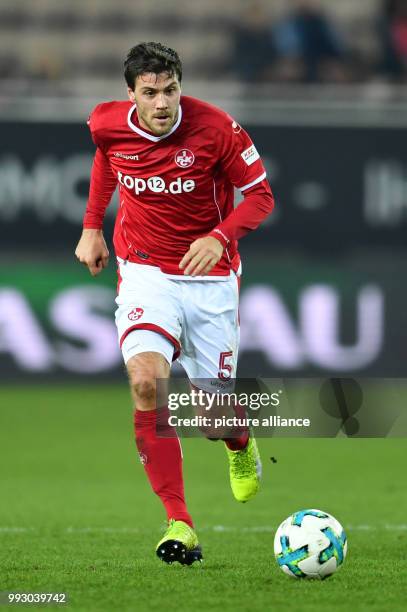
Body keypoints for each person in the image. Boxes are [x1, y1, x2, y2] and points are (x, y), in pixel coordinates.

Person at [75, 42, 274, 565]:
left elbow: (261, 196)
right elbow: (107, 161)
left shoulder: (218, 129)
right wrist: (92, 226)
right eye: (150, 93)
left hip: (209, 279)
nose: (162, 103)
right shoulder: (106, 123)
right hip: (143, 272)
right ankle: (179, 521)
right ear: (131, 94)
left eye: (170, 90)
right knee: (146, 381)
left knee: (212, 416)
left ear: (181, 87)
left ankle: (239, 444)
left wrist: (221, 235)